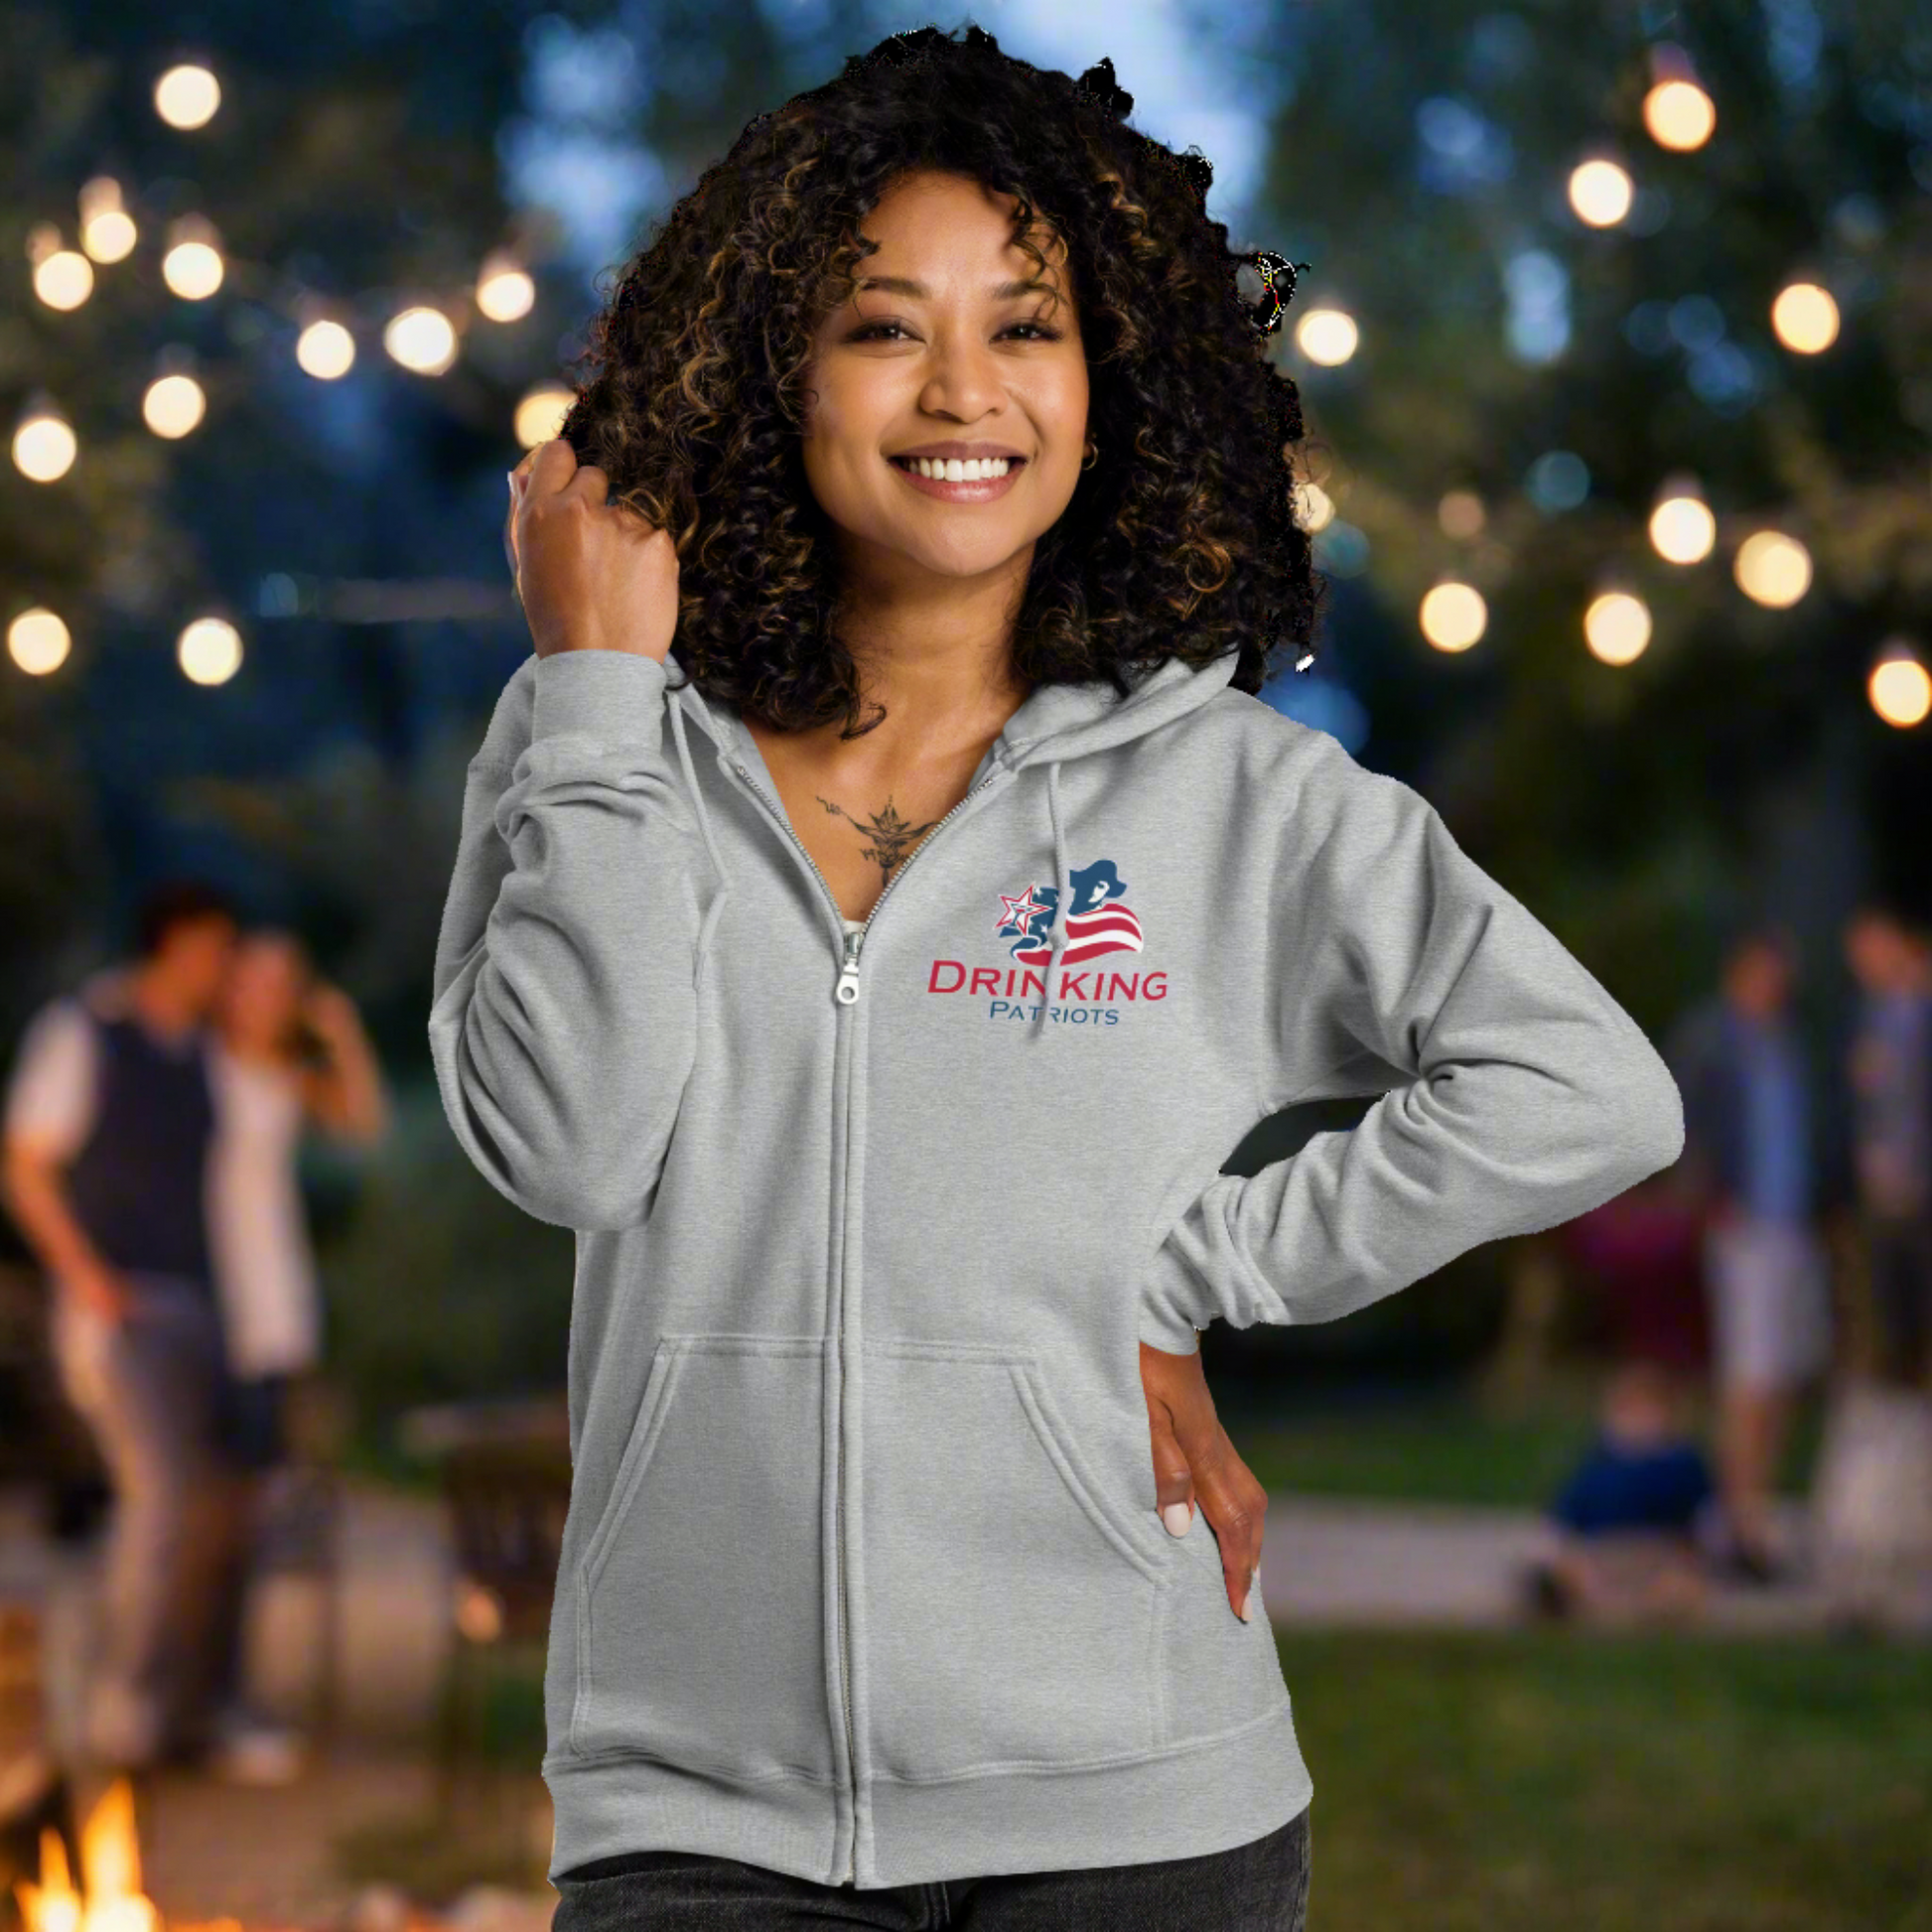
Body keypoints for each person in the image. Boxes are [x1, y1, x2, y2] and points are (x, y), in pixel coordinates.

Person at [429, 28, 1684, 1928]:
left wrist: (1198, 1271)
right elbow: (573, 1151)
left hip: (1138, 1820)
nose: (962, 391)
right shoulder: (607, 752)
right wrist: (598, 698)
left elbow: (1588, 1088)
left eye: (1025, 327)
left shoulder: (1236, 798)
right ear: (775, 368)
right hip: (695, 1817)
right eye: (880, 326)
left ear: (1114, 386)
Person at [0, 881, 295, 1779]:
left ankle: (190, 1714)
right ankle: (121, 1707)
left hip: (203, 1312)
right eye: (216, 951)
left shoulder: (207, 1054)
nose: (224, 970)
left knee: (214, 1521)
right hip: (119, 1317)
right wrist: (87, 1281)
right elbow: (26, 1164)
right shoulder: (84, 1032)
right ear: (176, 947)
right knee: (158, 1500)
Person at [196, 926, 391, 1780]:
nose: (261, 997)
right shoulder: (189, 1065)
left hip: (274, 1320)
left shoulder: (282, 1075)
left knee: (253, 1521)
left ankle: (230, 1702)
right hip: (205, 1314)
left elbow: (365, 1127)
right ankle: (206, 1699)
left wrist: (340, 1030)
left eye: (281, 983)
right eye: (250, 980)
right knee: (206, 1519)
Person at [1665, 923, 1834, 1584]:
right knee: (1750, 1374)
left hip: (1794, 1221)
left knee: (1786, 1370)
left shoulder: (1792, 1042)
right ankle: (1738, 1519)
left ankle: (1756, 1503)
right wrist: (1705, 1191)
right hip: (1743, 1226)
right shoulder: (1710, 1039)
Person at [1521, 1359, 1716, 1625]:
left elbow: (1700, 1513)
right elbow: (1566, 1517)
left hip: (1657, 1551)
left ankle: (1651, 1608)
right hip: (1602, 1553)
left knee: (1681, 1584)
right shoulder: (1594, 1465)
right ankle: (1572, 1598)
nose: (1637, 1421)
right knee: (1572, 1571)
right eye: (1628, 1411)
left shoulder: (1681, 1462)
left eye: (1648, 1411)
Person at [1841, 899, 1932, 1389]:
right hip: (1883, 1185)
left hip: (1921, 1179)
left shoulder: (1920, 1008)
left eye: (1872, 950)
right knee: (1893, 1306)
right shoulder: (1867, 1015)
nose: (1864, 964)